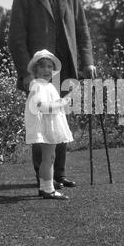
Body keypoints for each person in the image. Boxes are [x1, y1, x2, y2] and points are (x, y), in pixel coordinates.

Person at [9, 0, 96, 189]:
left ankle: (59, 174)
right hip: (39, 70)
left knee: (59, 119)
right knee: (41, 123)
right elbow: (16, 37)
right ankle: (43, 177)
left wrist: (87, 61)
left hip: (65, 66)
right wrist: (26, 72)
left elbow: (82, 29)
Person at [25, 50, 73, 200]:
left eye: (49, 67)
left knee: (50, 157)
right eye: (43, 67)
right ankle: (48, 190)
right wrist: (62, 103)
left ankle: (45, 187)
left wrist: (63, 101)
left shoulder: (47, 86)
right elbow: (40, 105)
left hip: (50, 125)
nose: (47, 70)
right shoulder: (38, 86)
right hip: (46, 127)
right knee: (48, 158)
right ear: (35, 69)